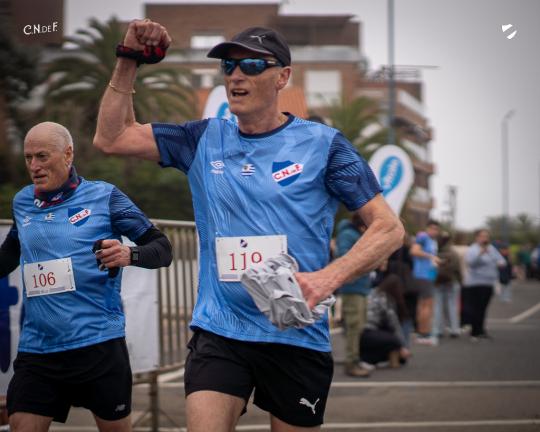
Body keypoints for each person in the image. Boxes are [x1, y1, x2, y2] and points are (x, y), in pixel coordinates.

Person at [93, 20, 404, 431]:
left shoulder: (324, 145)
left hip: (294, 333)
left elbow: (389, 227)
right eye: (229, 66)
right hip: (221, 330)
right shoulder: (201, 139)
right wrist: (129, 58)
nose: (237, 75)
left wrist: (326, 279)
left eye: (253, 65)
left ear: (283, 77)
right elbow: (112, 137)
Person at [0, 122, 173, 432]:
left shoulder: (105, 196)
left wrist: (129, 254)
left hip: (97, 345)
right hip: (38, 349)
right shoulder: (23, 202)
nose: (34, 166)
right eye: (28, 157)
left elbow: (162, 248)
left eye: (42, 156)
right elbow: (9, 256)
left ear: (68, 154)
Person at [335, 214, 372, 377]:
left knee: (358, 326)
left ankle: (355, 359)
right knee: (354, 326)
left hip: (360, 287)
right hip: (352, 288)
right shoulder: (348, 235)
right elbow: (344, 257)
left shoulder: (355, 234)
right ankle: (351, 363)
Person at [360, 274, 410, 369]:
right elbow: (394, 324)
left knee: (391, 340)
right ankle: (367, 359)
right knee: (394, 341)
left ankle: (370, 358)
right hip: (368, 332)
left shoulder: (372, 292)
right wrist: (402, 346)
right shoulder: (385, 298)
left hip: (361, 332)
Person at [463, 229, 505, 341]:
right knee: (475, 308)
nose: (484, 238)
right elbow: (470, 263)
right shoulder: (473, 249)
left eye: (486, 236)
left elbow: (502, 261)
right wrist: (480, 254)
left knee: (483, 308)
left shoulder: (491, 249)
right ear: (477, 237)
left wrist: (500, 263)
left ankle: (481, 330)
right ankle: (474, 331)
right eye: (482, 236)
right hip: (475, 283)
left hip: (488, 282)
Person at [410, 220, 441, 345]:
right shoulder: (423, 237)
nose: (434, 231)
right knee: (426, 305)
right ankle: (423, 333)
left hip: (430, 275)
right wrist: (431, 256)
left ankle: (422, 332)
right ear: (427, 228)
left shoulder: (433, 241)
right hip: (423, 275)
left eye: (436, 229)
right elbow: (414, 251)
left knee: (425, 305)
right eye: (432, 228)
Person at [431, 232, 462, 341]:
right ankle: (454, 330)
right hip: (451, 281)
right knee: (452, 306)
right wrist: (460, 280)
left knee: (438, 306)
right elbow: (458, 269)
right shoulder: (453, 253)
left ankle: (438, 330)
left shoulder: (434, 252)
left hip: (437, 282)